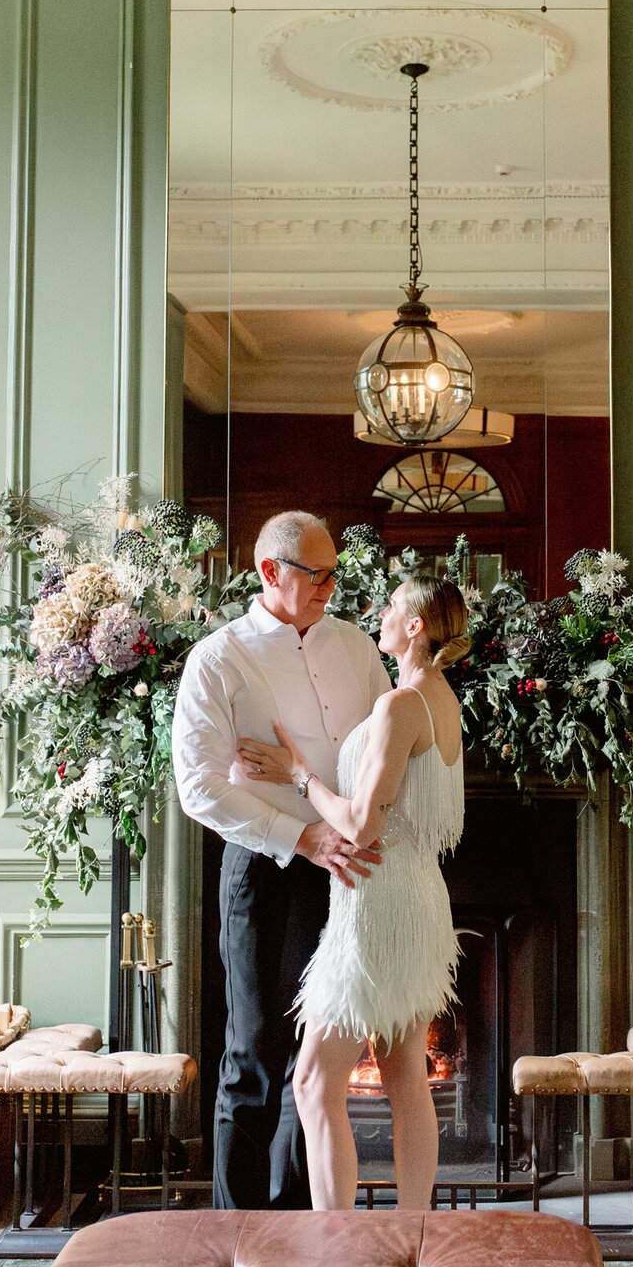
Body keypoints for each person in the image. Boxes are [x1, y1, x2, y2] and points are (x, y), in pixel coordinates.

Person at [171, 511, 390, 1209]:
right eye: (318, 574)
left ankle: (302, 1226)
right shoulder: (218, 658)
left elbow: (387, 749)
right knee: (254, 1059)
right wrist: (302, 838)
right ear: (272, 572)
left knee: (319, 1067)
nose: (332, 587)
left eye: (335, 573)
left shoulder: (357, 649)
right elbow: (198, 788)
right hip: (265, 871)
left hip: (350, 870)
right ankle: (236, 1239)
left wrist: (354, 828)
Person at [241, 573, 467, 1212]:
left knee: (314, 1082)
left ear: (416, 626)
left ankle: (335, 1248)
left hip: (377, 906)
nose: (382, 614)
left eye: (393, 606)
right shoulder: (442, 702)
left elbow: (363, 824)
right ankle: (410, 1237)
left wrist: (298, 774)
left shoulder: (402, 706)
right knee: (404, 1080)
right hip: (415, 899)